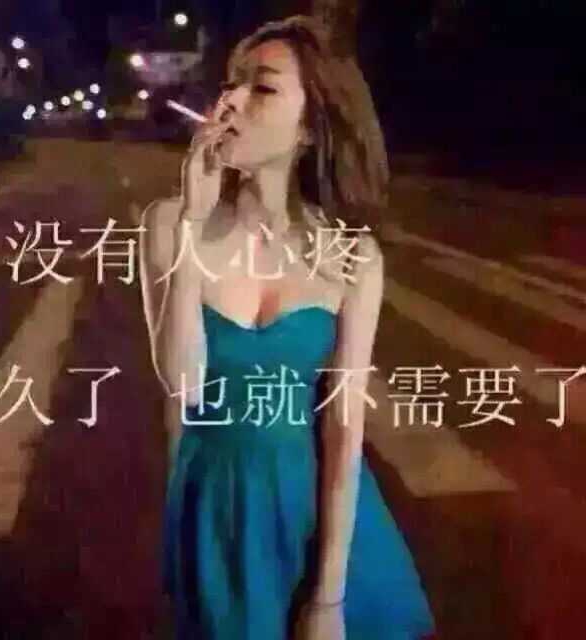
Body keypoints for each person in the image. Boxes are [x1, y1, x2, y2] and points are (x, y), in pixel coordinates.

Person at [139, 14, 435, 640]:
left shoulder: (352, 255)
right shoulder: (169, 224)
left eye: (263, 87)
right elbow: (183, 386)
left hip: (315, 521)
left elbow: (344, 426)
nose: (230, 102)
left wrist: (328, 598)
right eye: (231, 84)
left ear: (309, 126)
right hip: (214, 515)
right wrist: (193, 223)